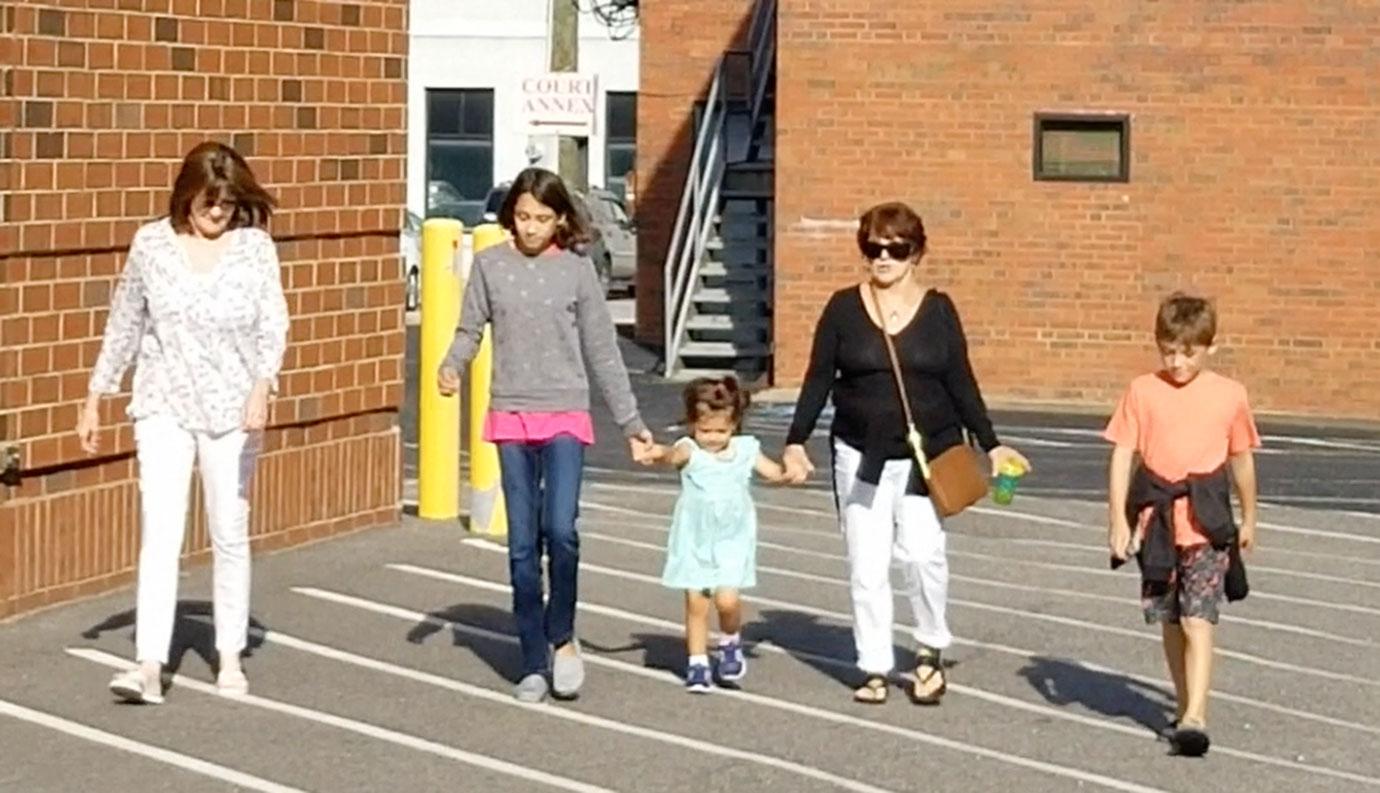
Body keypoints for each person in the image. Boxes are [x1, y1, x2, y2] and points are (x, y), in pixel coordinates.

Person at [781, 201, 1029, 705]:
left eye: (895, 249)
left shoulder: (939, 310)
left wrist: (992, 442)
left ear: (917, 252)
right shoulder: (843, 309)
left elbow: (960, 380)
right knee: (866, 567)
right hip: (859, 453)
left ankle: (930, 649)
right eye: (872, 248)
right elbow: (817, 379)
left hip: (928, 456)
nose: (883, 257)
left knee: (923, 557)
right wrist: (795, 440)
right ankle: (874, 665)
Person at [77, 141, 288, 704]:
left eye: (226, 203)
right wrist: (98, 392)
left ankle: (227, 653)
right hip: (163, 401)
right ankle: (148, 663)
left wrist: (263, 386)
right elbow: (125, 320)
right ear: (186, 195)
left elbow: (273, 324)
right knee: (162, 532)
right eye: (207, 201)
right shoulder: (152, 244)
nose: (217, 212)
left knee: (227, 529)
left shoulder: (254, 249)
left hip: (232, 408)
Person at [437, 167, 654, 703]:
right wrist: (452, 365)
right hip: (511, 414)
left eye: (541, 218)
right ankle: (532, 657)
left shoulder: (576, 272)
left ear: (560, 220)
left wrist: (632, 424)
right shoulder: (489, 266)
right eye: (522, 216)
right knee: (521, 543)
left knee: (561, 530)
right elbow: (470, 328)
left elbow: (603, 351)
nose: (530, 227)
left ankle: (563, 638)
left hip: (564, 413)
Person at [1104, 292, 1259, 757]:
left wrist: (1250, 516)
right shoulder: (1141, 391)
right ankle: (1182, 698)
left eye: (1187, 352)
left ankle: (1195, 714)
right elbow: (1122, 455)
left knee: (1198, 618)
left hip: (1206, 522)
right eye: (1167, 350)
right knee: (1170, 619)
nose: (1176, 361)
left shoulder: (1230, 395)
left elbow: (1242, 460)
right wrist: (1117, 519)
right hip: (1156, 522)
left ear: (1209, 347)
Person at [644, 377, 790, 692]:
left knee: (727, 600)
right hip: (695, 538)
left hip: (732, 538)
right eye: (705, 430)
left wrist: (790, 472)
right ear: (693, 424)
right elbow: (672, 456)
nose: (712, 438)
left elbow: (774, 473)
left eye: (720, 431)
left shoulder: (745, 450)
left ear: (734, 425)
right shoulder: (689, 449)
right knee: (696, 603)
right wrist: (657, 453)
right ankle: (697, 662)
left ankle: (729, 641)